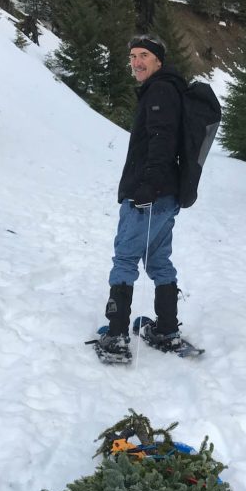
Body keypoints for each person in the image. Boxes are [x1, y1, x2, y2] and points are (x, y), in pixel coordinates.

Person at [97, 35, 187, 359]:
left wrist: (146, 187)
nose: (136, 62)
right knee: (158, 260)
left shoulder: (159, 91)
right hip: (167, 195)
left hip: (148, 195)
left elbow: (161, 142)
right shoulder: (169, 88)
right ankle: (167, 329)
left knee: (125, 259)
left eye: (144, 55)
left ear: (159, 61)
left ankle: (117, 335)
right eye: (133, 55)